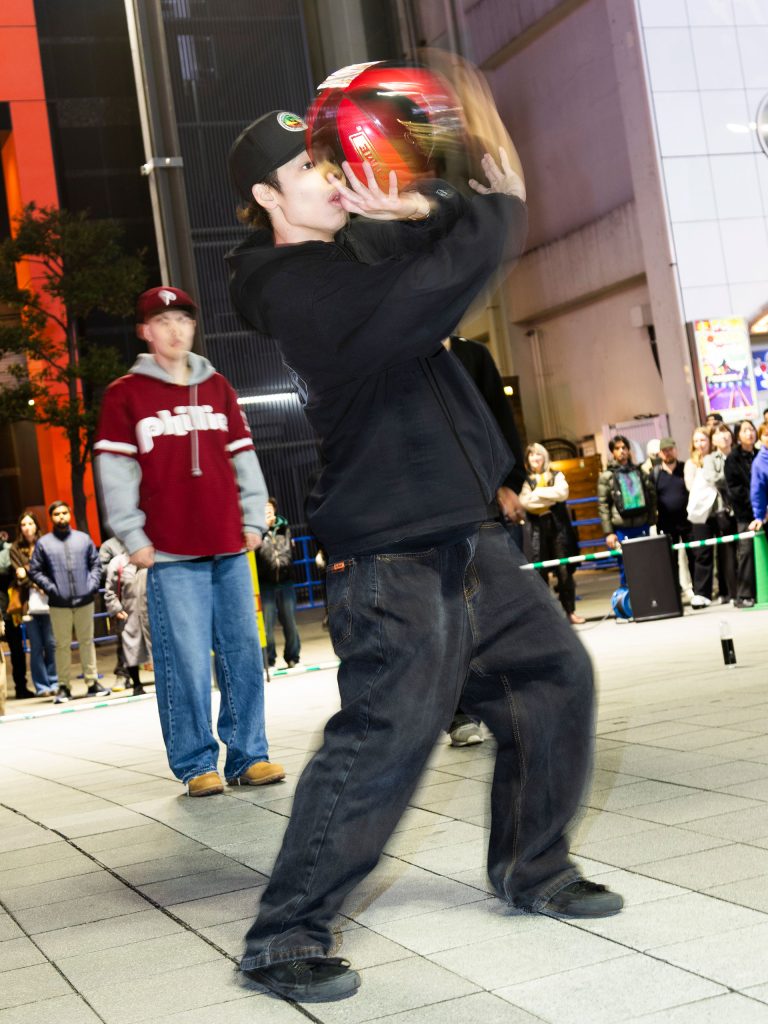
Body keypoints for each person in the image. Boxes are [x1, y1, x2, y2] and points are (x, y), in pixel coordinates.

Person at [225, 109, 621, 1002]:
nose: (333, 176)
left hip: (464, 529)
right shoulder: (293, 288)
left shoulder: (354, 253)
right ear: (265, 197)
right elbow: (443, 279)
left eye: (329, 160)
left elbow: (442, 225)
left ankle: (534, 866)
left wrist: (418, 206)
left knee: (554, 678)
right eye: (307, 169)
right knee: (387, 735)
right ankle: (285, 936)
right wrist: (494, 212)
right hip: (392, 551)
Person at [94, 285, 284, 797]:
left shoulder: (217, 387)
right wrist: (132, 534)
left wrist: (253, 518)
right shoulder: (125, 394)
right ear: (145, 331)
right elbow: (115, 473)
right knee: (185, 663)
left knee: (243, 654)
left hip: (228, 544)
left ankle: (250, 754)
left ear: (194, 327)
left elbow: (243, 457)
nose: (175, 329)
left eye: (182, 319)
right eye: (162, 321)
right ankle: (196, 762)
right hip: (169, 551)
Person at [443, 334, 527, 745]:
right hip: (434, 509)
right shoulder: (404, 354)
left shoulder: (473, 356)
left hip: (484, 500)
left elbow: (502, 422)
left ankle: (506, 700)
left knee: (496, 607)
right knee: (452, 613)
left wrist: (510, 482)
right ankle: (460, 711)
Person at [28, 502, 108, 703]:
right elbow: (35, 570)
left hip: (84, 599)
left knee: (87, 641)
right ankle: (63, 686)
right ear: (51, 517)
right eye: (57, 514)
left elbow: (96, 564)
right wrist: (52, 589)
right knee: (61, 645)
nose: (61, 516)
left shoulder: (83, 539)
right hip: (58, 602)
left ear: (70, 514)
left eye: (64, 512)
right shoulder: (44, 543)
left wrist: (91, 586)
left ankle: (92, 682)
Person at [519, 442, 583, 624]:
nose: (535, 458)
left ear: (544, 456)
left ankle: (570, 612)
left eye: (538, 454)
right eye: (532, 455)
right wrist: (549, 497)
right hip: (535, 530)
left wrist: (537, 493)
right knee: (539, 572)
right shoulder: (525, 480)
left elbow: (562, 493)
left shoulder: (557, 475)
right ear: (527, 459)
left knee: (564, 570)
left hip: (558, 528)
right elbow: (525, 502)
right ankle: (547, 617)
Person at [10, 511, 58, 695]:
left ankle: (54, 682)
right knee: (36, 646)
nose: (27, 527)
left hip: (49, 601)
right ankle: (42, 686)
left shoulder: (46, 543)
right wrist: (38, 584)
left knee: (51, 643)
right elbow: (19, 577)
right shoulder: (15, 548)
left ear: (36, 526)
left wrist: (28, 570)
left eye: (30, 523)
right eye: (23, 524)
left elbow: (52, 569)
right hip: (27, 604)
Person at [598, 434, 657, 585]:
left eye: (624, 447)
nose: (621, 451)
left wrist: (651, 521)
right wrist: (609, 533)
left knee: (646, 565)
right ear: (612, 452)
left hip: (642, 526)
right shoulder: (607, 476)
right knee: (626, 568)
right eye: (617, 448)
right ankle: (628, 597)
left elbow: (651, 496)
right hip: (621, 529)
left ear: (629, 450)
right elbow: (603, 505)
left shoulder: (640, 471)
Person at [257, 497, 301, 668]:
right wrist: (263, 529)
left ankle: (293, 656)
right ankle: (269, 658)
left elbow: (290, 550)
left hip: (285, 580)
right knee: (266, 624)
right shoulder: (257, 531)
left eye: (270, 507)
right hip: (265, 583)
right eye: (264, 508)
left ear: (274, 509)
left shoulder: (284, 528)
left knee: (290, 621)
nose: (268, 510)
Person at [700, 422, 737, 606]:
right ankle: (734, 592)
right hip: (724, 511)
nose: (724, 436)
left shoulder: (738, 454)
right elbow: (714, 479)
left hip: (743, 508)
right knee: (728, 554)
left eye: (726, 432)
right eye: (719, 433)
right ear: (713, 440)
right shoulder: (710, 459)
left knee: (745, 550)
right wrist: (734, 473)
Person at [104, 551, 151, 695]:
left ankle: (166, 682)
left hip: (151, 610)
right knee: (131, 648)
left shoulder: (151, 558)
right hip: (128, 613)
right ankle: (137, 684)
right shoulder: (118, 563)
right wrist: (116, 609)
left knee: (158, 647)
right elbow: (110, 591)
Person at [652, 437, 694, 595]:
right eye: (664, 451)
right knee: (670, 559)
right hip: (666, 524)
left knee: (693, 556)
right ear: (660, 454)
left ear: (676, 450)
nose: (668, 453)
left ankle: (698, 589)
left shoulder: (685, 468)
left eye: (670, 449)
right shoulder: (655, 474)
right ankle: (674, 592)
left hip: (688, 521)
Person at [725, 420, 758, 607]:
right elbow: (735, 490)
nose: (750, 433)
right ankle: (744, 595)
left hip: (764, 512)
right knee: (746, 552)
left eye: (751, 429)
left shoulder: (760, 454)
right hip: (745, 514)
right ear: (738, 435)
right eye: (745, 430)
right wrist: (755, 506)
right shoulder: (732, 459)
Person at [0, 529, 29, 699]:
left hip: (9, 608)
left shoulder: (9, 549)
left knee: (17, 651)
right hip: (6, 608)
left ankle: (21, 687)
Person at [99, 534, 131, 689]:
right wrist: (122, 564)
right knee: (124, 641)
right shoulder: (109, 546)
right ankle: (122, 675)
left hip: (141, 595)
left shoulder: (141, 538)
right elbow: (102, 570)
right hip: (121, 599)